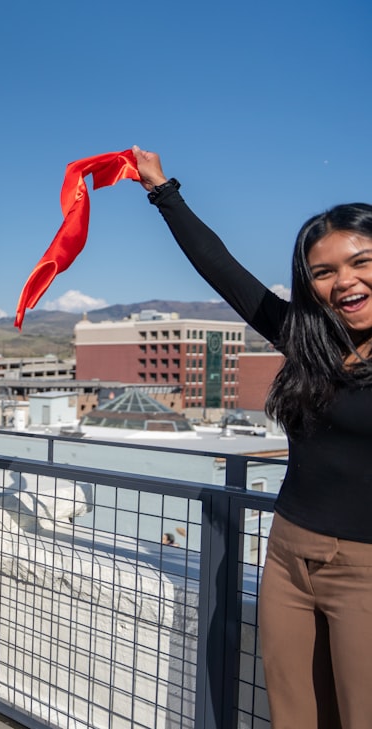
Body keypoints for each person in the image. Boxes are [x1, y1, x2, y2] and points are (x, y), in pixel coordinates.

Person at [130, 146, 372, 728]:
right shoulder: (308, 340)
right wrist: (163, 191)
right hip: (289, 552)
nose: (345, 282)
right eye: (323, 271)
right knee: (292, 711)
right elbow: (226, 273)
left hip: (365, 568)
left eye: (362, 262)